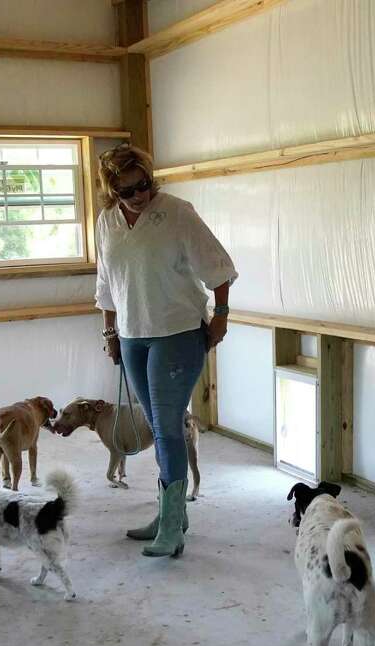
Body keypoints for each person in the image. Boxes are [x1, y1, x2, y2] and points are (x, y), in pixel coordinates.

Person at [95, 144, 237, 559]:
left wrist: (221, 314)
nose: (139, 195)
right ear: (111, 191)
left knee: (169, 427)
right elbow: (106, 282)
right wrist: (109, 332)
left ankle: (172, 527)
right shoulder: (107, 222)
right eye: (127, 191)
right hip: (132, 333)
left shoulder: (176, 212)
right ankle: (170, 515)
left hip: (177, 331)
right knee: (157, 426)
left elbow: (219, 266)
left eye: (144, 185)